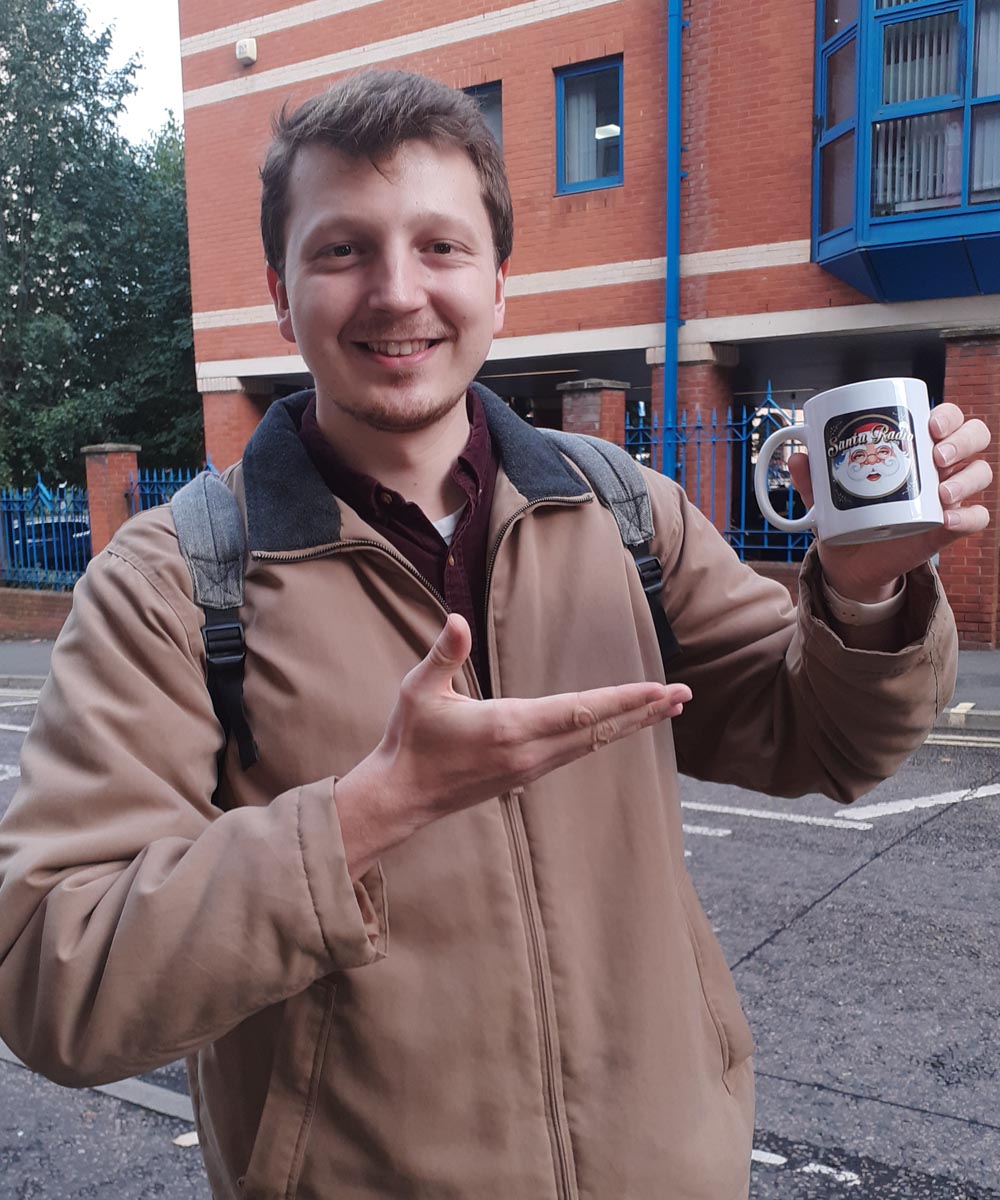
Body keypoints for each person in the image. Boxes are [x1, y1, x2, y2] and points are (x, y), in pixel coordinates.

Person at [0, 69, 991, 1200]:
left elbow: (830, 743)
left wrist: (861, 592)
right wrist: (368, 813)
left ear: (498, 283)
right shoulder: (177, 581)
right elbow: (51, 980)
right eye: (341, 251)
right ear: (280, 294)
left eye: (439, 246)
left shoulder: (625, 511)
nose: (395, 291)